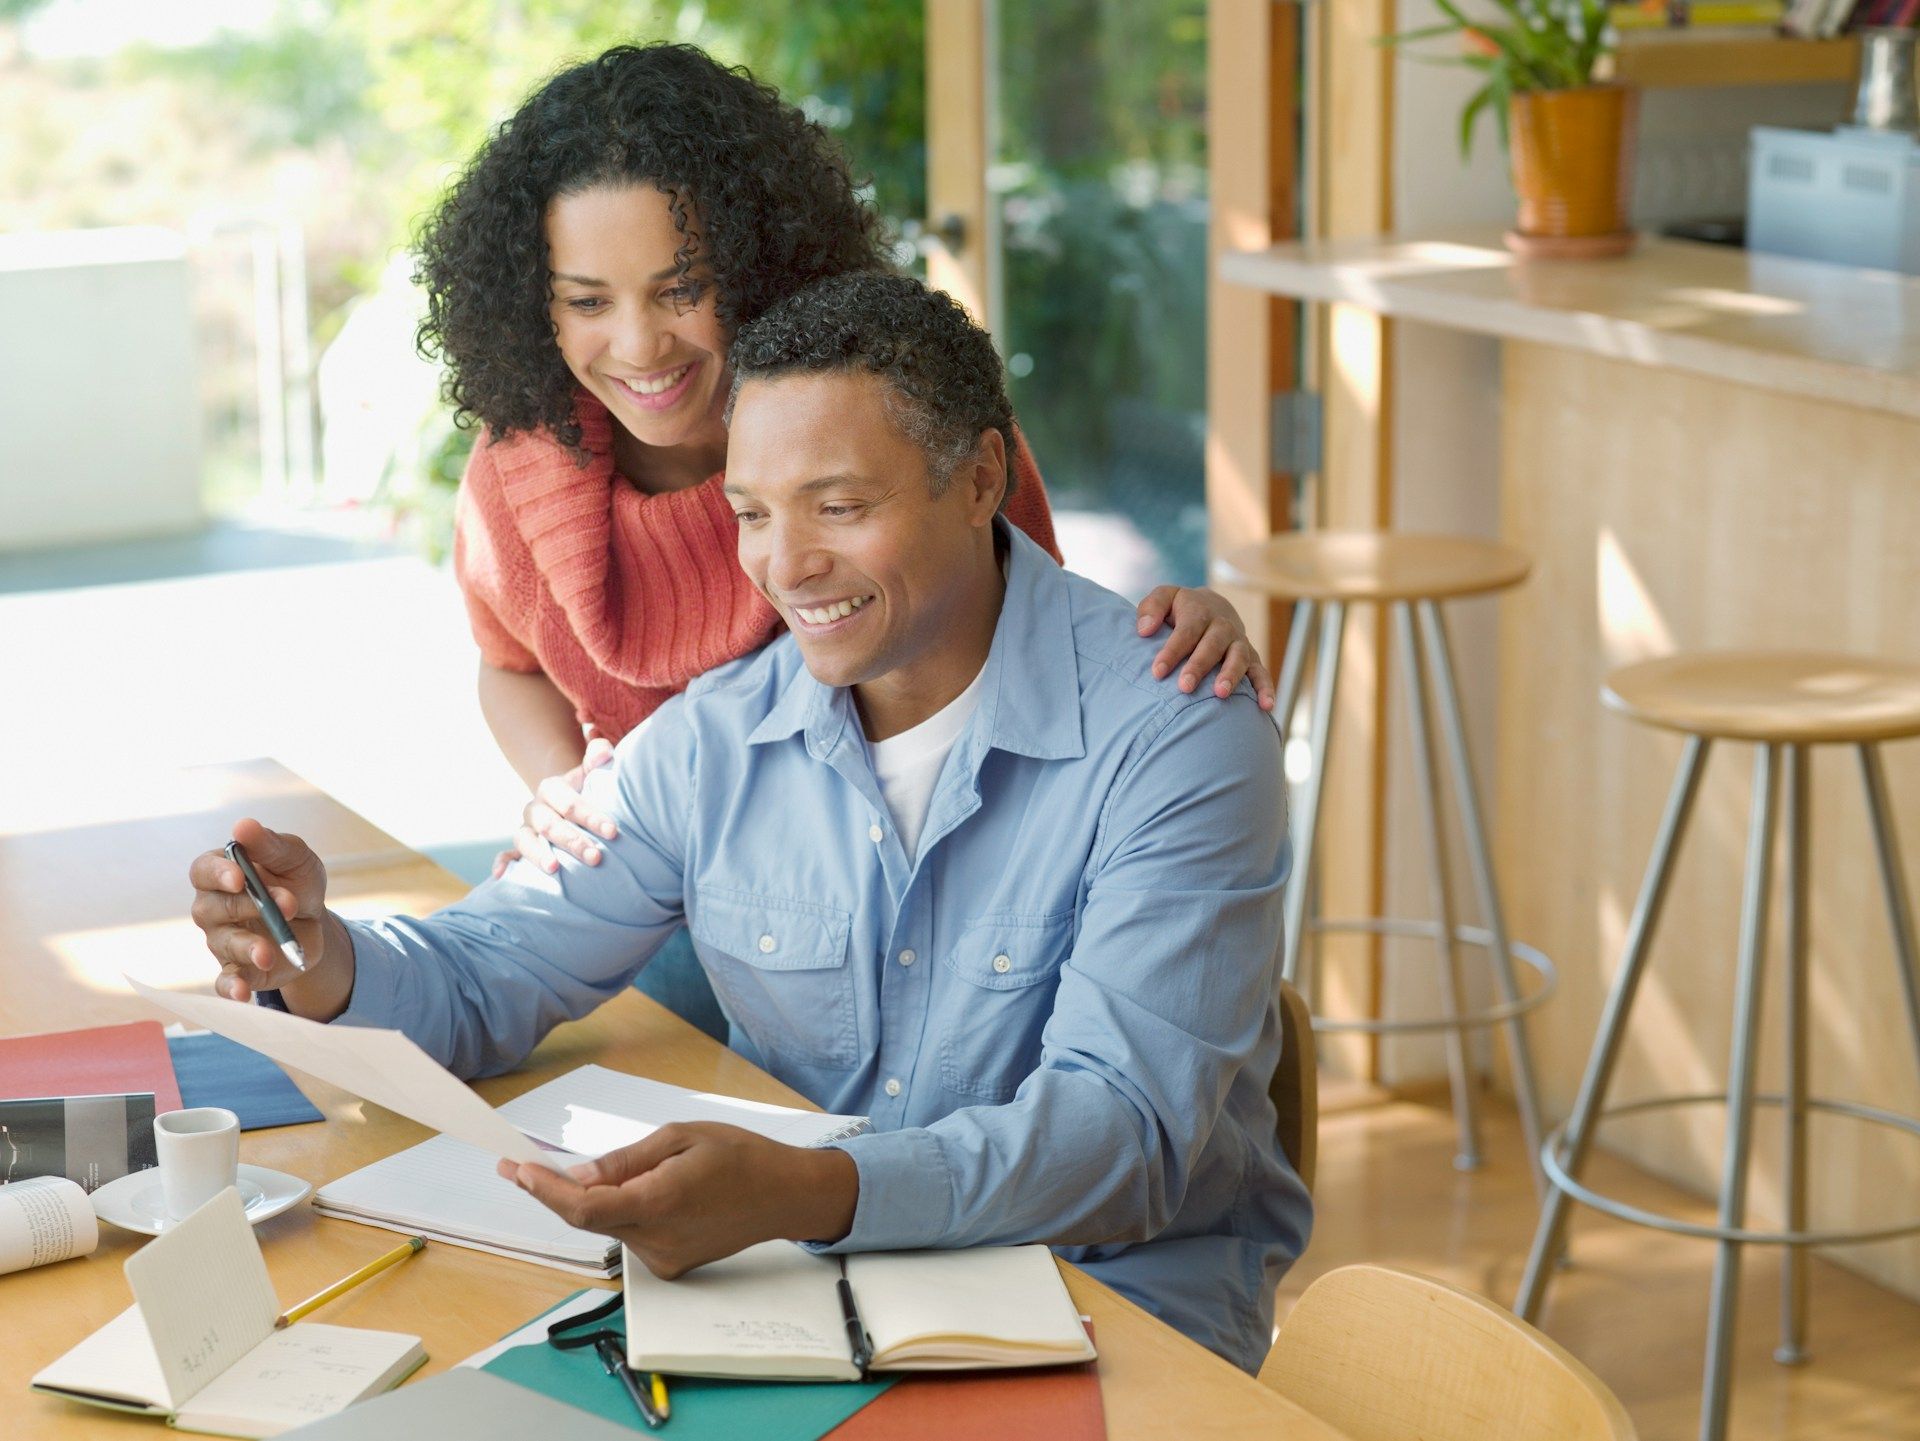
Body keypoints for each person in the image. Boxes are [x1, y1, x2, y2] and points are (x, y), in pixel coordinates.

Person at [190, 273, 1309, 1373]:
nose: (785, 563)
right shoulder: (722, 736)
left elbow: (1120, 1140)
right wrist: (322, 953)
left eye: (840, 505)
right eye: (752, 513)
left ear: (979, 481)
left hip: (1111, 1316)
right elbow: (490, 968)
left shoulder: (1178, 740)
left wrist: (808, 1191)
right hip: (810, 1302)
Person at [413, 43, 1274, 1037]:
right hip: (635, 873)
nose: (641, 346)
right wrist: (564, 790)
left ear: (754, 262)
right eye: (588, 301)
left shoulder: (883, 418)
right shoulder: (521, 470)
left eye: (681, 287)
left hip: (869, 899)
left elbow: (1030, 639)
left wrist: (1170, 637)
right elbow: (507, 666)